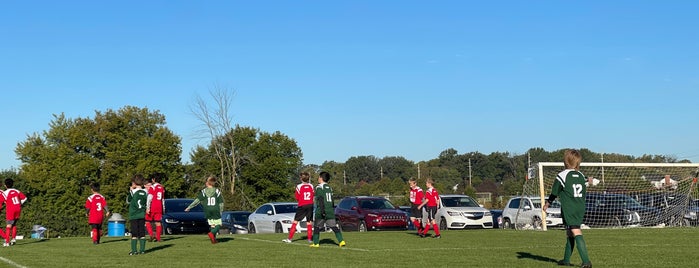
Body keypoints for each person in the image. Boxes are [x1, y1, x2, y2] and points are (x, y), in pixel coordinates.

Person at [543, 149, 592, 268]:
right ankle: (566, 260)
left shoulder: (562, 175)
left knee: (575, 231)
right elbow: (585, 186)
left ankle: (586, 262)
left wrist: (548, 203)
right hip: (580, 206)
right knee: (570, 232)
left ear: (565, 162)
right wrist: (590, 181)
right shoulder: (580, 175)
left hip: (569, 207)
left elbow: (555, 192)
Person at [310, 171, 345, 248]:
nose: (318, 178)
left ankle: (316, 243)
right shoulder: (329, 188)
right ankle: (341, 241)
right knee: (333, 226)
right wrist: (331, 209)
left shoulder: (319, 187)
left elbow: (321, 199)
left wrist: (322, 211)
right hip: (330, 209)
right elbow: (332, 200)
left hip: (322, 209)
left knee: (316, 227)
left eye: (319, 177)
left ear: (321, 178)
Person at [185, 176, 224, 244]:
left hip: (207, 210)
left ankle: (213, 240)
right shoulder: (217, 191)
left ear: (208, 183)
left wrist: (189, 207)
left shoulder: (203, 191)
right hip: (215, 209)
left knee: (212, 225)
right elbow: (221, 203)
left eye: (206, 181)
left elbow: (197, 200)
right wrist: (221, 211)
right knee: (219, 224)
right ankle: (212, 233)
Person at [283, 172, 314, 244]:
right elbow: (313, 195)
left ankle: (289, 239)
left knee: (295, 221)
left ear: (301, 178)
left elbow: (297, 197)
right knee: (309, 222)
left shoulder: (299, 186)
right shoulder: (311, 186)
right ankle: (309, 239)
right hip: (310, 205)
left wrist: (301, 200)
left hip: (302, 205)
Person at [126, 174, 148, 255]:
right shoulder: (145, 192)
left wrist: (130, 190)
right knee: (142, 232)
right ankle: (142, 250)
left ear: (134, 183)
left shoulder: (133, 191)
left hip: (134, 215)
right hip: (142, 214)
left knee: (134, 233)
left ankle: (134, 251)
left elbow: (128, 201)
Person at [3, 179, 27, 246]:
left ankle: (7, 242)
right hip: (18, 209)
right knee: (14, 224)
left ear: (5, 185)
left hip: (11, 210)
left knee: (8, 225)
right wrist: (20, 203)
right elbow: (25, 198)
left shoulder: (5, 193)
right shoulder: (16, 191)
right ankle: (13, 239)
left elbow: (3, 201)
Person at [146, 173, 166, 242]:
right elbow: (163, 199)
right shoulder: (162, 188)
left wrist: (148, 207)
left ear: (153, 179)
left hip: (153, 206)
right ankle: (158, 238)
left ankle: (151, 235)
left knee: (147, 221)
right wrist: (163, 208)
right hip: (159, 207)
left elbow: (149, 197)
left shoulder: (152, 187)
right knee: (158, 222)